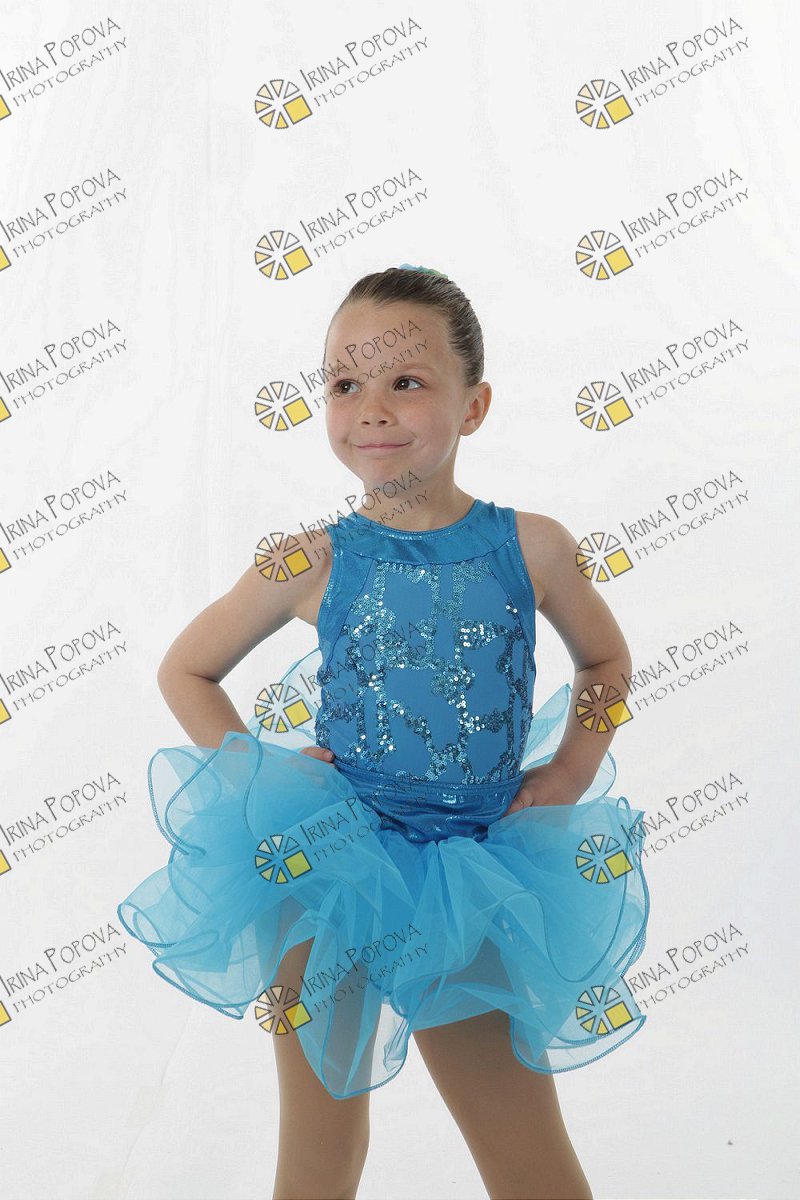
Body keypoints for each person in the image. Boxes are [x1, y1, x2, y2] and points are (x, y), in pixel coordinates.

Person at [117, 264, 650, 1200]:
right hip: (330, 870)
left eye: (406, 380)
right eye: (344, 383)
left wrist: (570, 771)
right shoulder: (311, 559)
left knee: (527, 1157)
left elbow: (605, 663)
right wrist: (260, 771)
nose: (371, 408)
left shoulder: (532, 546)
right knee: (320, 1155)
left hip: (472, 877)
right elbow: (186, 670)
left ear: (474, 404)